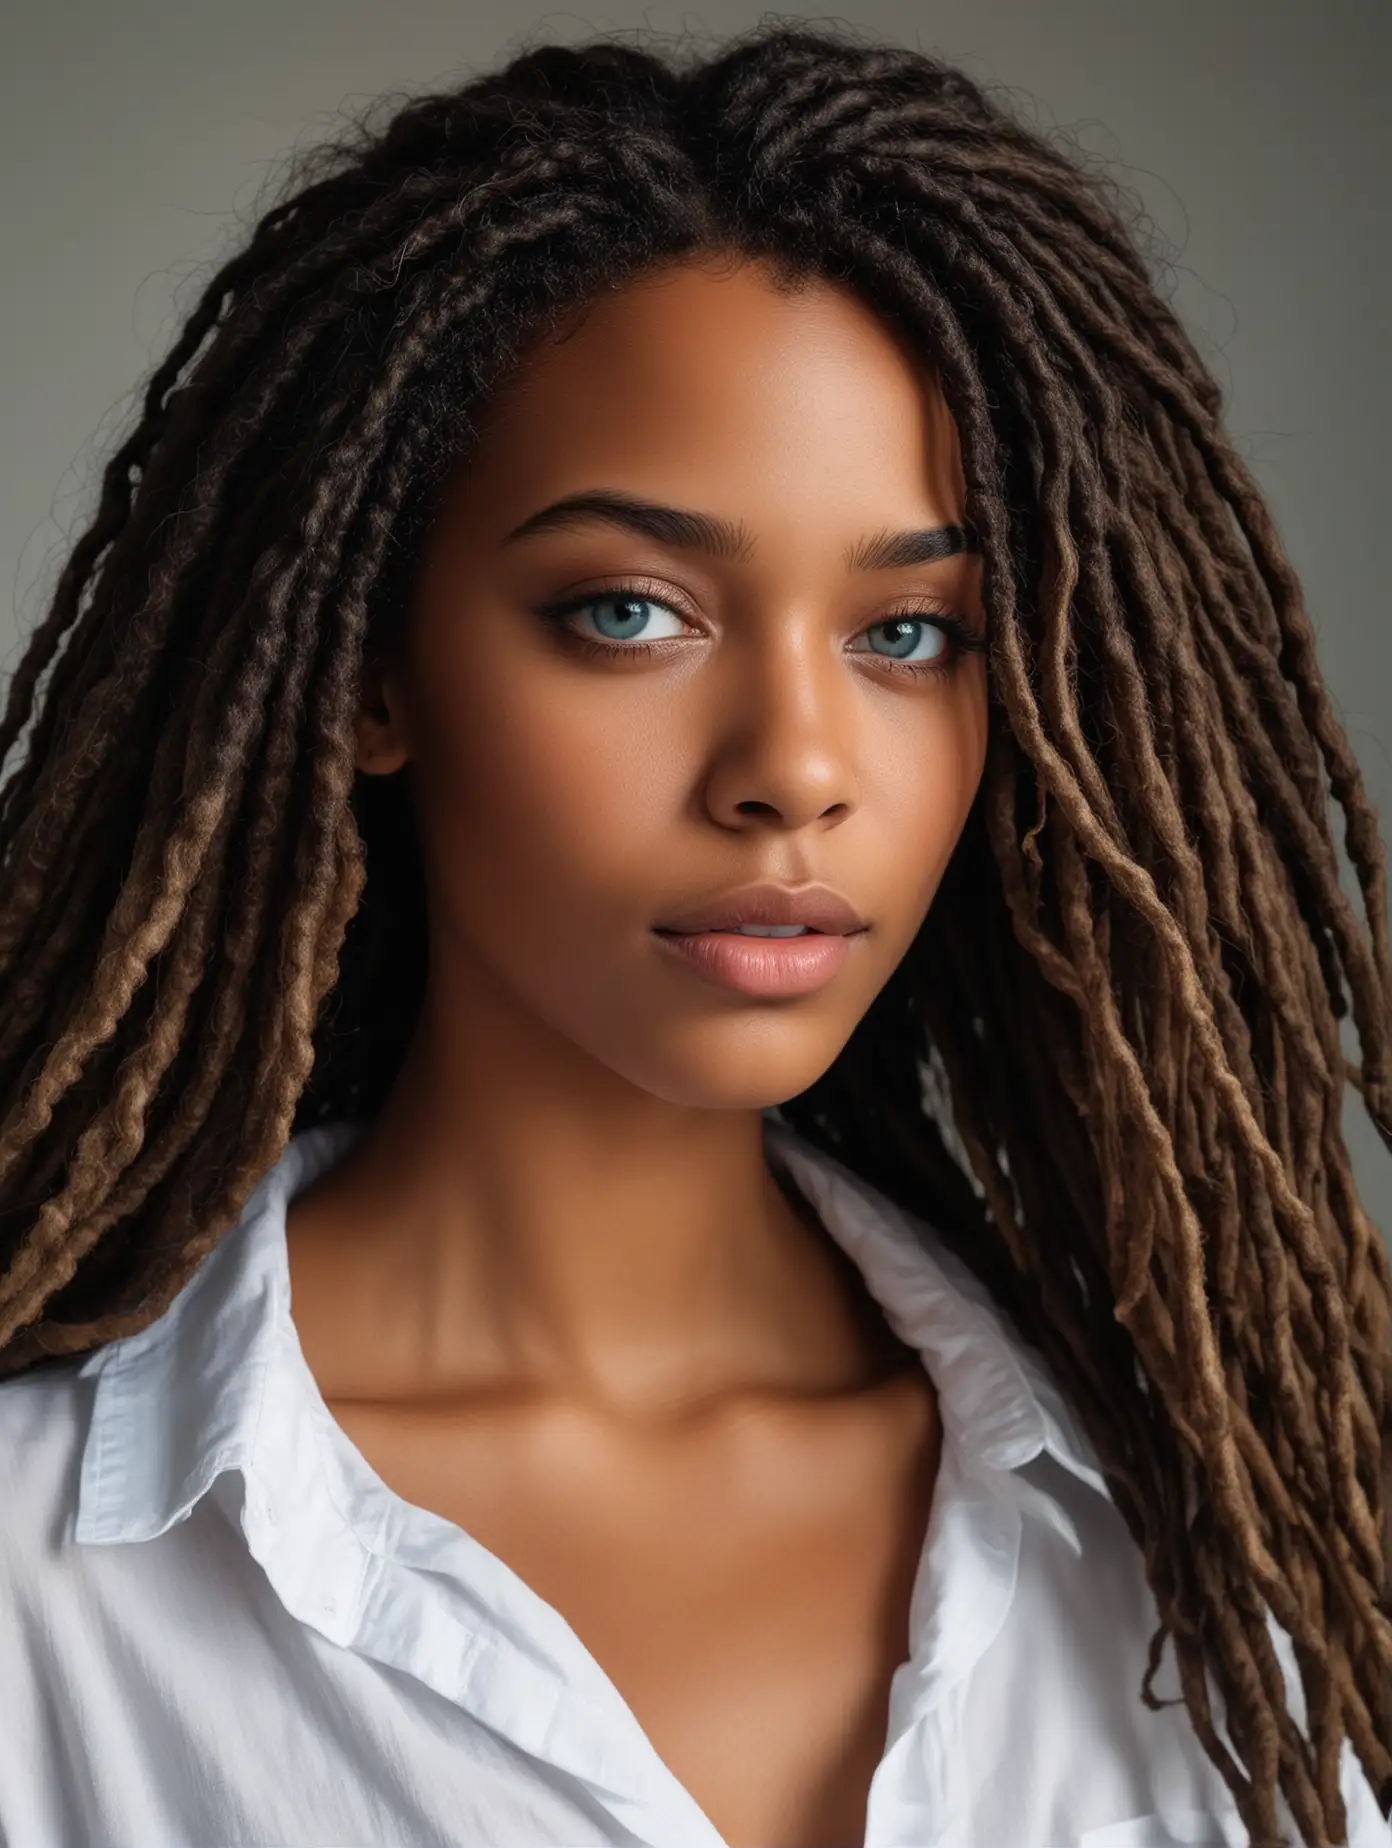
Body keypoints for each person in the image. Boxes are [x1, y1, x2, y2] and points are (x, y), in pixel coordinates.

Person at [0, 19, 1387, 1848]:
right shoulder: (39, 1580)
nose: (795, 771)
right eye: (633, 613)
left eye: (908, 635)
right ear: (367, 671)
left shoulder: (1263, 1538)